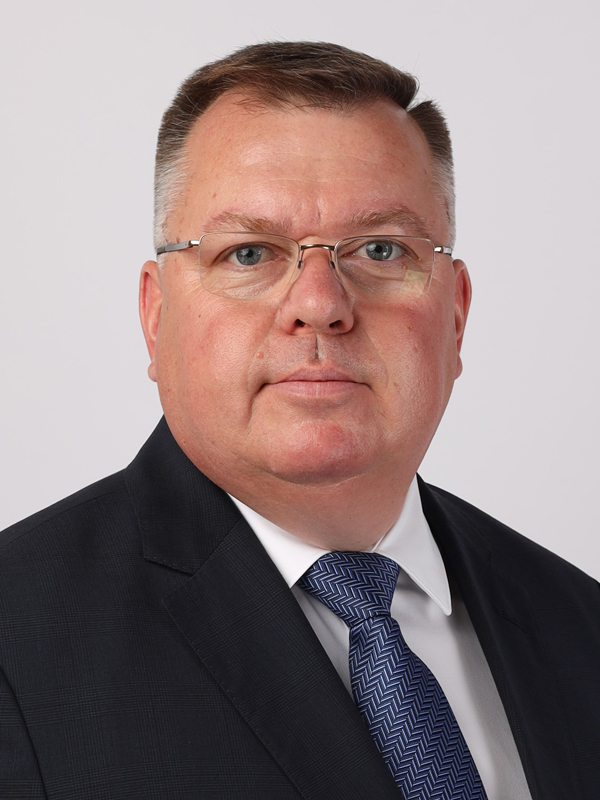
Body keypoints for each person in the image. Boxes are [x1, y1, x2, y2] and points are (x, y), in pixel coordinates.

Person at [0, 41, 598, 800]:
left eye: (381, 248)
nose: (319, 303)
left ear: (455, 316)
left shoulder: (580, 626)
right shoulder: (17, 644)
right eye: (249, 253)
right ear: (156, 316)